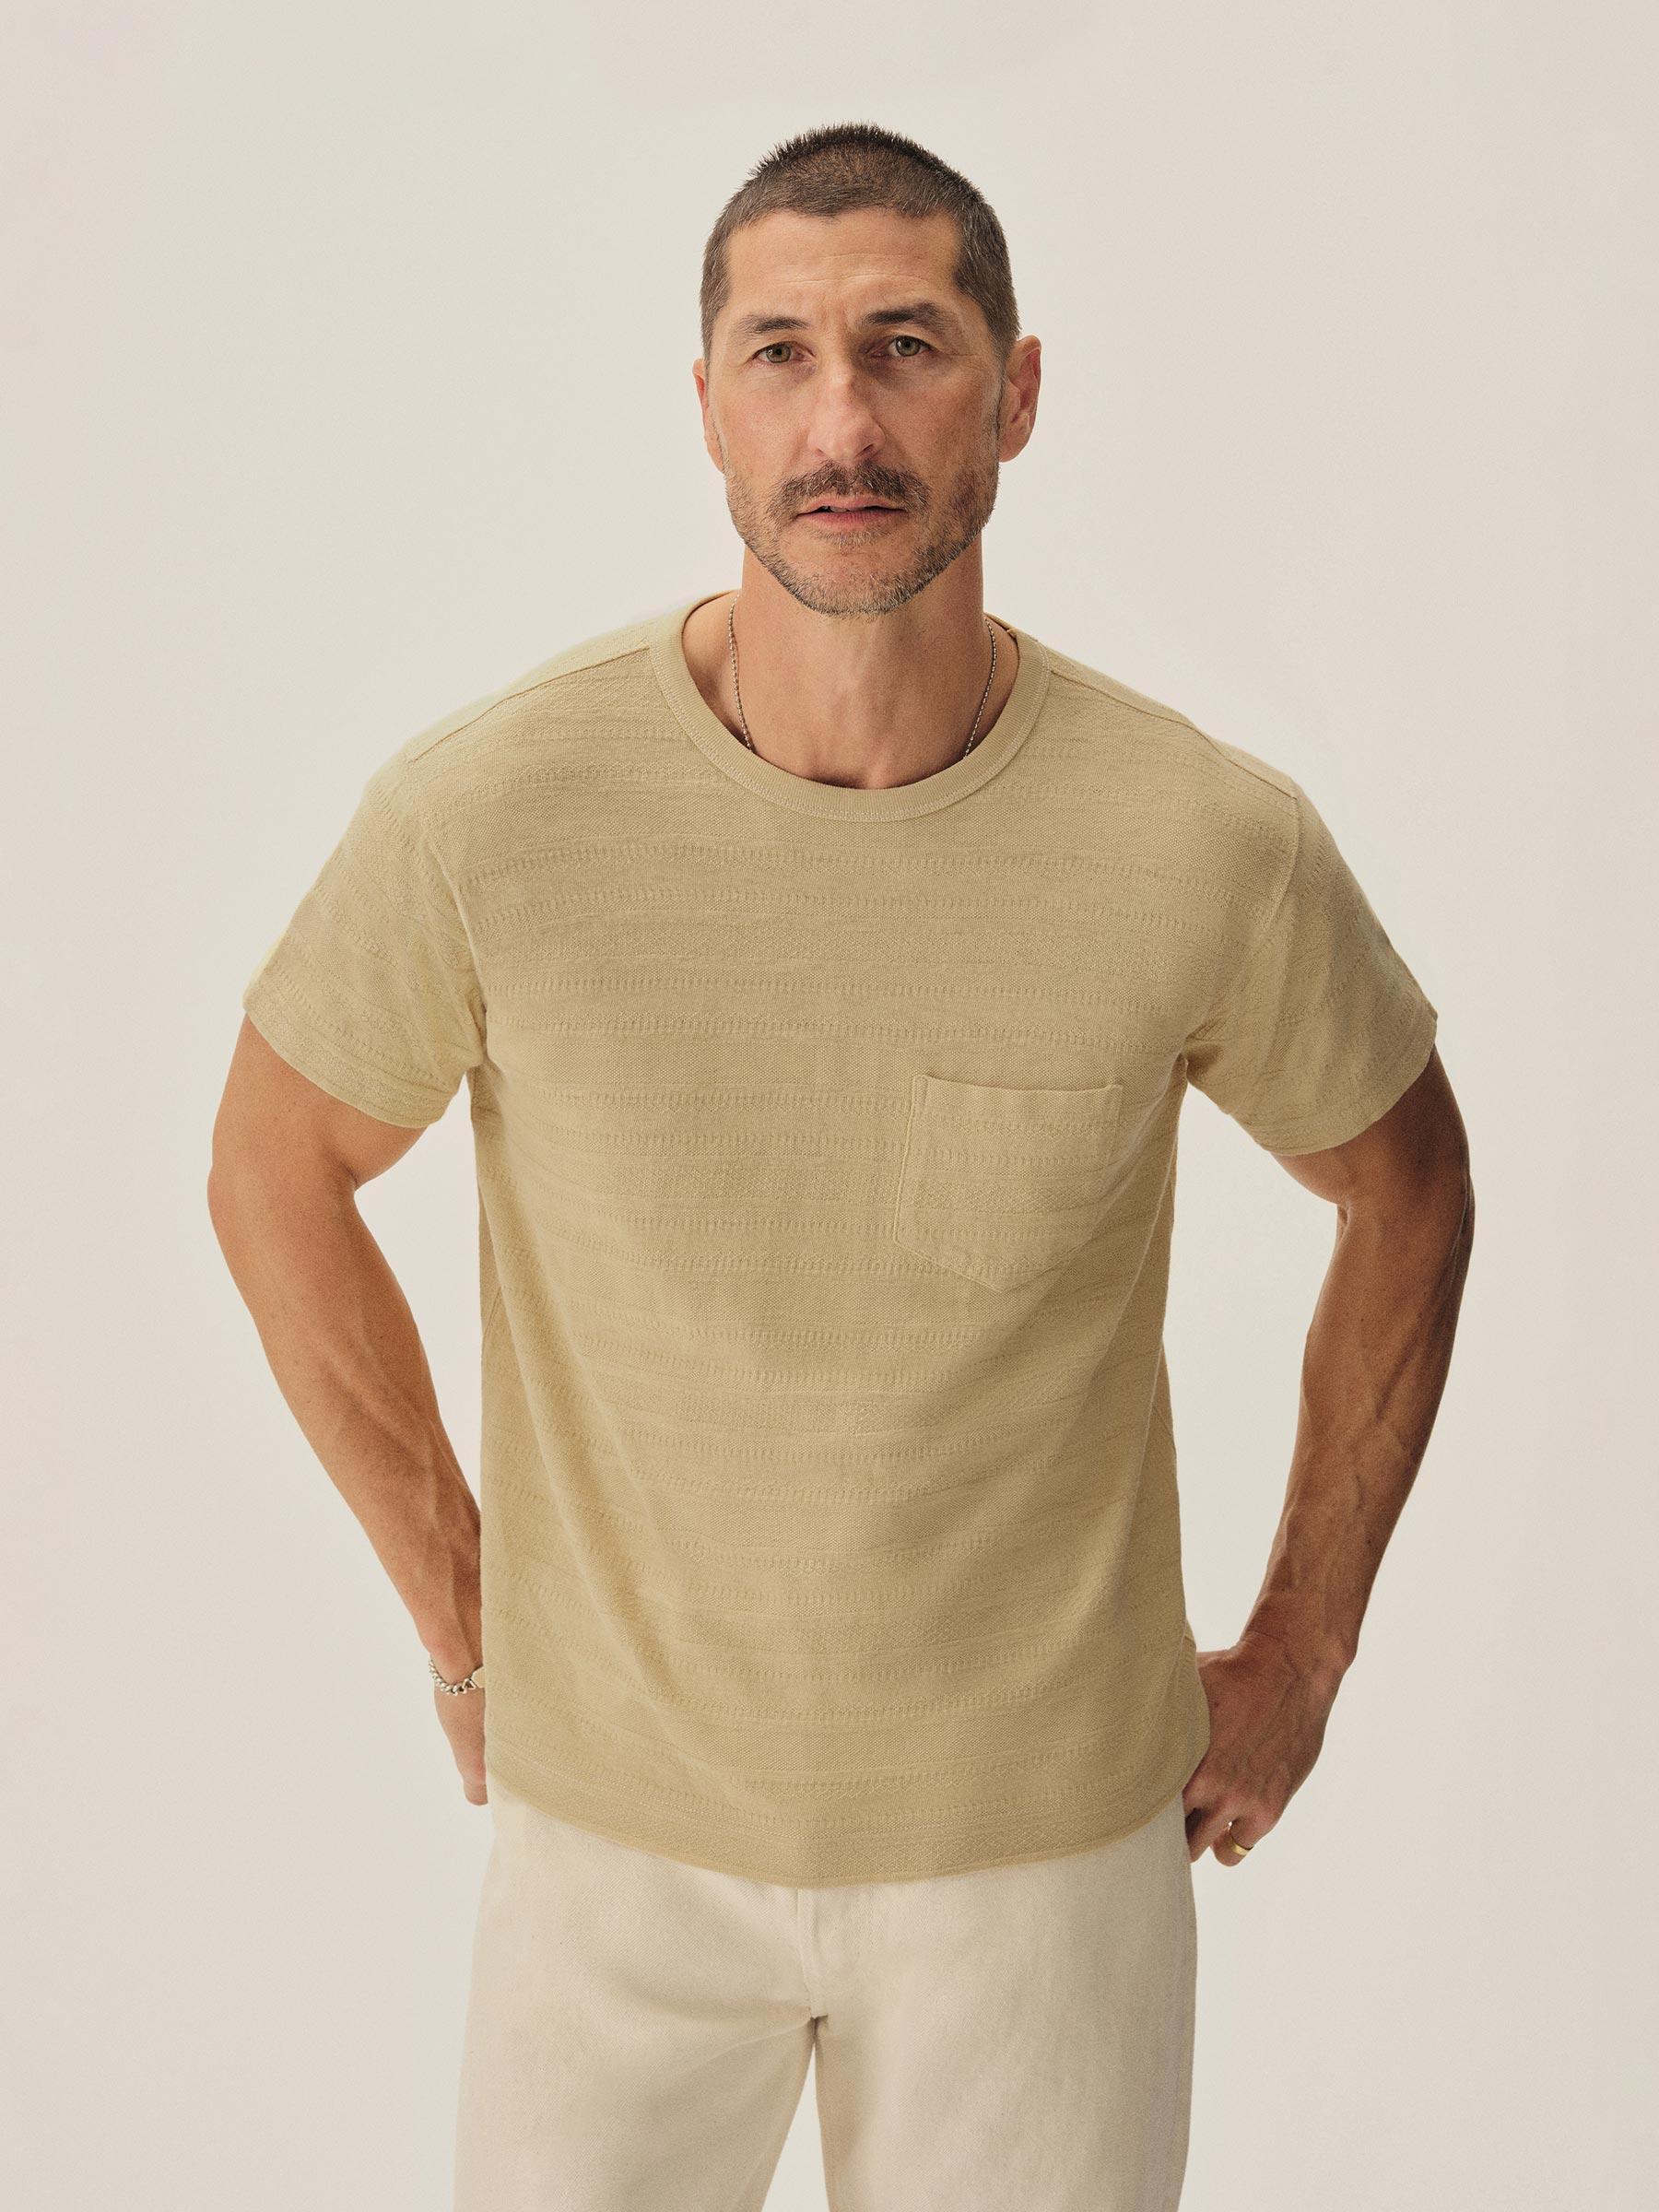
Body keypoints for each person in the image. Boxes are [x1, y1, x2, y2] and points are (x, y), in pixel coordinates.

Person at [208, 120, 1474, 2212]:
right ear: (706, 405)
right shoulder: (492, 818)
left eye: (907, 345)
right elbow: (274, 1165)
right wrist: (465, 1617)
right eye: (780, 355)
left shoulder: (1202, 844)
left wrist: (1307, 1644)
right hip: (613, 1852)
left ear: (1017, 393)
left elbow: (1408, 1182)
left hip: (1044, 1862)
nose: (843, 425)